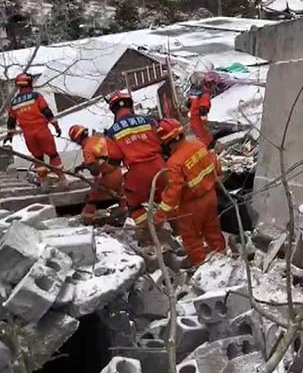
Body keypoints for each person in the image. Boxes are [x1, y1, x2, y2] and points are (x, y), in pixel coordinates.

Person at [154, 118, 226, 267]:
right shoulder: (198, 144)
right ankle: (224, 262)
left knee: (192, 239)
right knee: (213, 231)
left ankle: (201, 268)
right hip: (211, 196)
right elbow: (215, 163)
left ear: (166, 142)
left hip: (192, 206)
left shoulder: (174, 162)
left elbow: (174, 190)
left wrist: (160, 215)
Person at [105, 91, 166, 227]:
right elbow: (164, 142)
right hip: (161, 167)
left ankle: (149, 232)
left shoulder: (112, 132)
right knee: (167, 200)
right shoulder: (149, 121)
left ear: (113, 110)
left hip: (138, 174)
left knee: (133, 203)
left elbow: (114, 161)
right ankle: (177, 231)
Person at [4, 73, 67, 191]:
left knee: (38, 158)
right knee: (53, 155)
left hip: (29, 135)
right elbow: (47, 112)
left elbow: (11, 121)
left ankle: (44, 182)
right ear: (29, 82)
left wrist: (10, 135)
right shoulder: (36, 96)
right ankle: (62, 178)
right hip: (42, 131)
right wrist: (56, 126)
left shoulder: (14, 102)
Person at [69, 124, 126, 225]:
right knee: (121, 195)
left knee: (92, 198)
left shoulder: (87, 149)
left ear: (77, 140)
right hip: (117, 171)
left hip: (108, 177)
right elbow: (101, 156)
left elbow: (94, 170)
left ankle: (87, 221)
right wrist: (82, 166)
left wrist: (87, 166)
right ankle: (125, 214)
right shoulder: (98, 138)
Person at [183, 74, 214, 148]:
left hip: (195, 118)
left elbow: (189, 104)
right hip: (197, 119)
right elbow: (202, 108)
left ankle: (204, 150)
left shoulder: (198, 93)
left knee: (199, 136)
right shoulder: (203, 94)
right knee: (203, 136)